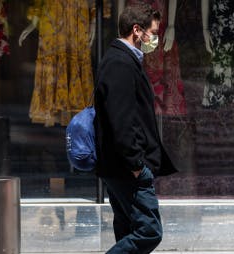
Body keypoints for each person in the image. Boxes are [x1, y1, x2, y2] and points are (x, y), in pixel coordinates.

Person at [93, 4, 178, 253]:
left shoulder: (121, 59)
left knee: (128, 229)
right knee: (149, 231)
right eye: (153, 31)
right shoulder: (120, 63)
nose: (155, 38)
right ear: (137, 30)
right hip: (127, 168)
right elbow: (122, 120)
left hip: (121, 166)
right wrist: (137, 166)